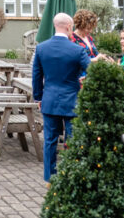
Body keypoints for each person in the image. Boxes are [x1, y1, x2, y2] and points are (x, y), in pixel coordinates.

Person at [32, 12, 92, 182]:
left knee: (50, 141)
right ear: (68, 27)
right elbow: (91, 70)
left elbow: (36, 76)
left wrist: (38, 98)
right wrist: (84, 78)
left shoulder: (41, 48)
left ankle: (50, 178)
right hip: (72, 101)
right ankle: (70, 175)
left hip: (49, 100)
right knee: (72, 140)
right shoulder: (77, 50)